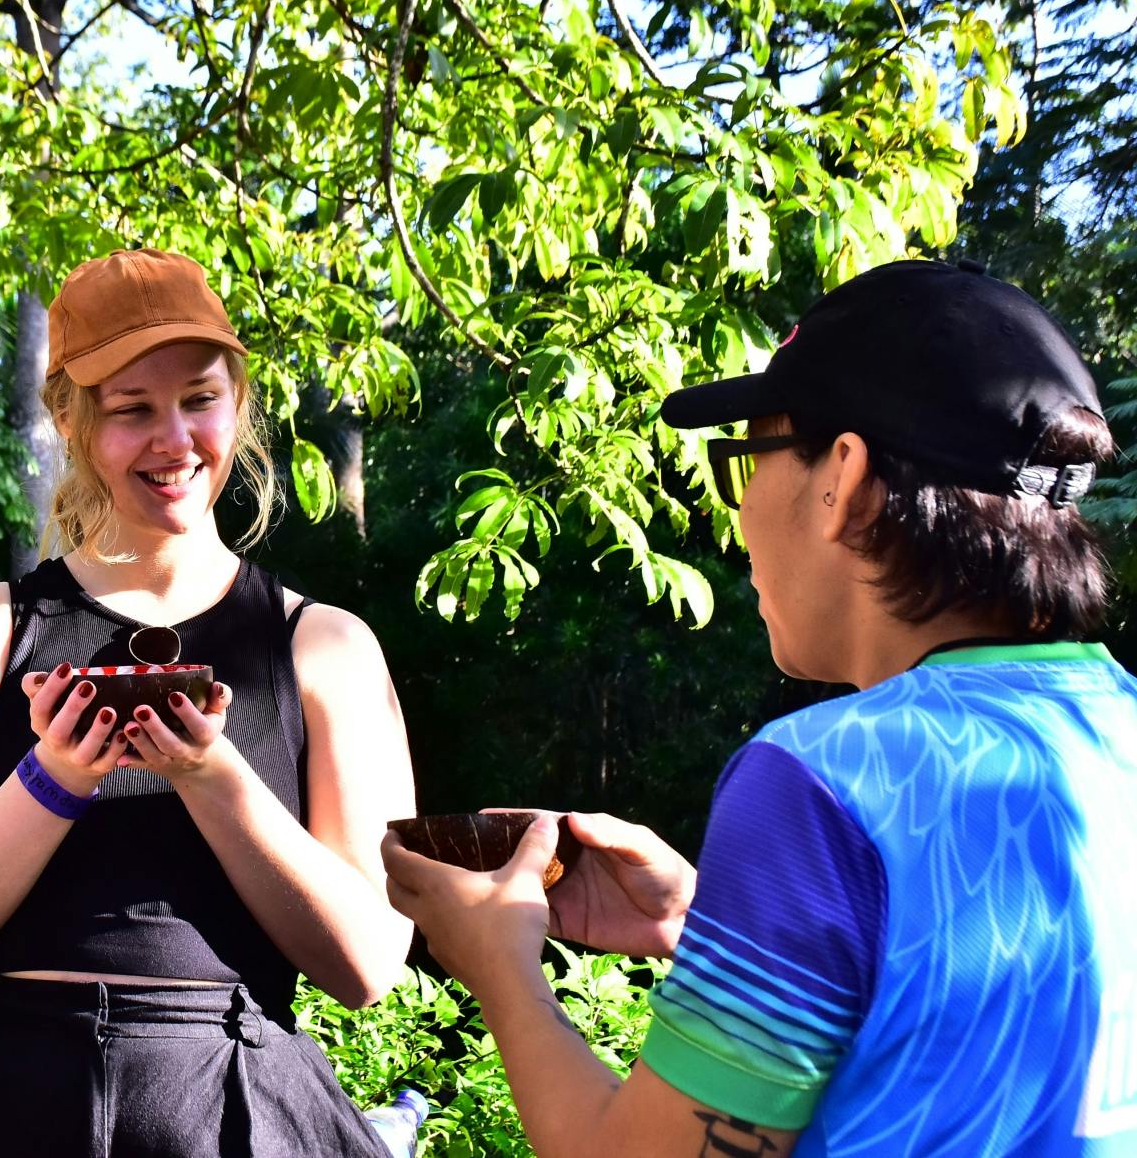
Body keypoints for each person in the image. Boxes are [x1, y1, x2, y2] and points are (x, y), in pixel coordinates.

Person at [382, 259, 1137, 1156]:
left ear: (843, 480)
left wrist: (501, 965)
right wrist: (707, 924)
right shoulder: (1114, 727)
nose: (737, 510)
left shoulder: (821, 780)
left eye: (745, 456)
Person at [0, 248, 416, 1156]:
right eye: (132, 409)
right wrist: (52, 780)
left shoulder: (327, 646)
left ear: (237, 404)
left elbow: (366, 963)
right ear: (73, 422)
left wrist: (214, 777)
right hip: (7, 1108)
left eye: (200, 399)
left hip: (242, 1102)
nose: (174, 440)